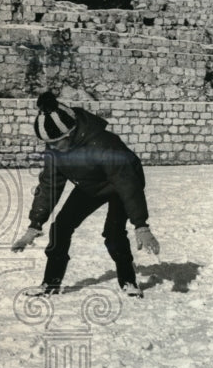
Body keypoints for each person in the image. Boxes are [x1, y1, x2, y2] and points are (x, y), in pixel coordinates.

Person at [10, 91, 160, 297]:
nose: (52, 148)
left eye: (56, 142)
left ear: (70, 134)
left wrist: (141, 224)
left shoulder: (104, 144)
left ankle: (128, 281)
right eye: (48, 144)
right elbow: (49, 185)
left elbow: (128, 185)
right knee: (60, 227)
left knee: (113, 232)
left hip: (122, 183)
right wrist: (34, 225)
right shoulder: (55, 150)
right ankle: (50, 283)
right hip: (91, 184)